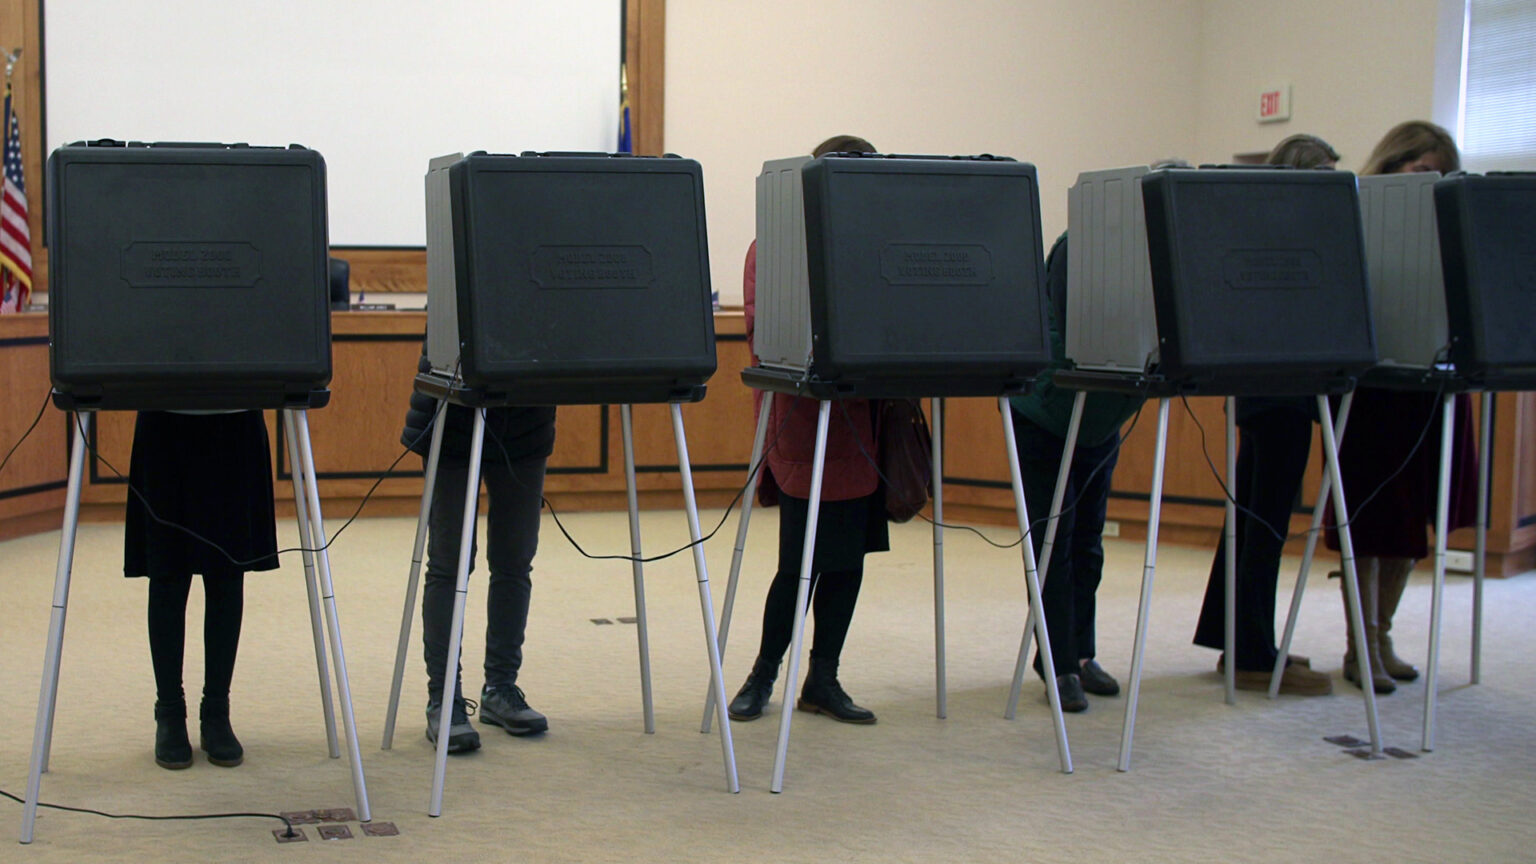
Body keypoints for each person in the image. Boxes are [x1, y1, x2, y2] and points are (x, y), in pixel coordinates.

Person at [727, 134, 888, 726]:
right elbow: (764, 332)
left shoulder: (875, 246)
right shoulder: (773, 247)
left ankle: (823, 677)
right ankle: (763, 673)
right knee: (799, 561)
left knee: (848, 561)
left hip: (864, 421)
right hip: (802, 423)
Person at [1324, 120, 1477, 694]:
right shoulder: (1355, 214)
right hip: (1372, 390)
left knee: (1413, 521)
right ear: (1391, 167)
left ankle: (1382, 635)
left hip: (1432, 384)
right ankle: (1359, 644)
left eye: (1440, 172)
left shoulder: (1453, 220)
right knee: (1368, 518)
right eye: (1420, 170)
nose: (1430, 181)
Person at [1190, 135, 1340, 696]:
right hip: (1282, 390)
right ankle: (1252, 652)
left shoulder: (1260, 235)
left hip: (1263, 390)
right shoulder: (1294, 245)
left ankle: (1241, 640)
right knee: (1265, 526)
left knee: (1251, 521)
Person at [401, 340, 557, 751]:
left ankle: (501, 689)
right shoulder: (452, 271)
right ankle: (444, 698)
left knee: (514, 560)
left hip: (527, 415)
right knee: (450, 563)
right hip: (452, 411)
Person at [1013, 230, 1144, 712]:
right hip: (1048, 409)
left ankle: (1082, 654)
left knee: (1089, 540)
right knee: (1054, 542)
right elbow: (1067, 332)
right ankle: (1058, 662)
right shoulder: (1085, 245)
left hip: (1101, 414)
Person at [128, 409, 278, 770]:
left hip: (233, 417)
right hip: (166, 416)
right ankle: (169, 713)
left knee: (227, 570)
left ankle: (216, 711)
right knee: (167, 571)